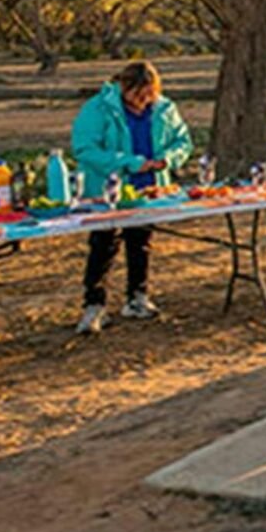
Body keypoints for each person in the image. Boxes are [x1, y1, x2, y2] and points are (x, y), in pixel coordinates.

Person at [71, 60, 193, 334]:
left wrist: (168, 160)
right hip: (108, 191)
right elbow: (84, 149)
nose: (144, 101)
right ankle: (94, 305)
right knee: (104, 245)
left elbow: (182, 141)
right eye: (138, 95)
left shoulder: (164, 108)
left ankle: (137, 297)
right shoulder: (98, 109)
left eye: (149, 94)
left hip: (149, 190)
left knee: (141, 243)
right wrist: (127, 162)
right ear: (123, 87)